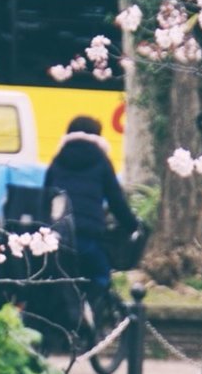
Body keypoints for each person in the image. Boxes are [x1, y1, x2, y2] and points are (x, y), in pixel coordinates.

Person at [41, 113, 142, 335]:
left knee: (63, 274)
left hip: (58, 235)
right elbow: (116, 201)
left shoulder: (58, 160)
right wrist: (132, 225)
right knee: (100, 274)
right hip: (88, 234)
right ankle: (87, 308)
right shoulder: (100, 161)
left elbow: (45, 196)